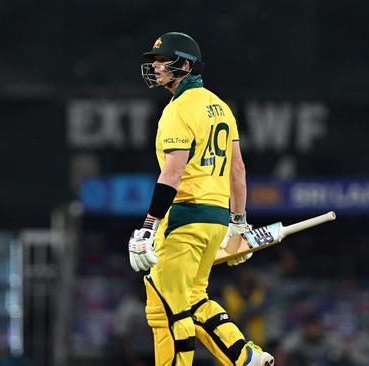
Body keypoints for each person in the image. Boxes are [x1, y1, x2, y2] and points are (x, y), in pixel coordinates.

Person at [127, 32, 273, 365]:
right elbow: (238, 171)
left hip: (183, 219)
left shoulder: (178, 110)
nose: (156, 67)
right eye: (155, 61)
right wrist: (238, 223)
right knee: (193, 299)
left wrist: (148, 227)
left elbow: (172, 175)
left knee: (165, 308)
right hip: (214, 222)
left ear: (186, 65)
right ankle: (245, 356)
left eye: (164, 60)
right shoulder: (220, 107)